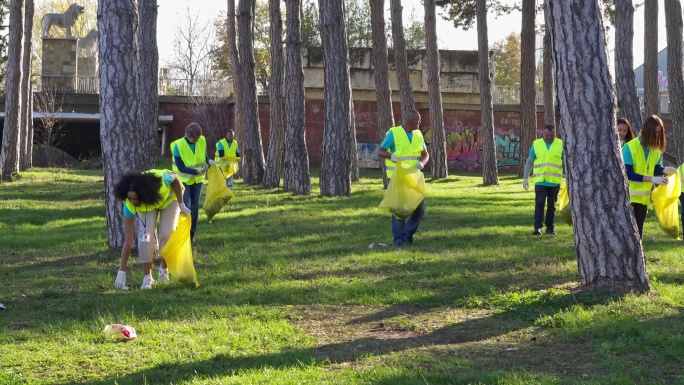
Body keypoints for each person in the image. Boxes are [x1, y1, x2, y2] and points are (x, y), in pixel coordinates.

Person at [113, 169, 191, 290]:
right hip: (147, 205)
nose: (133, 202)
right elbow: (128, 239)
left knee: (167, 234)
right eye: (130, 199)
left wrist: (181, 204)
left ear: (143, 194)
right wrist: (121, 272)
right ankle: (147, 277)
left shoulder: (163, 180)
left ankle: (164, 269)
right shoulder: (129, 205)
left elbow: (175, 178)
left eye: (135, 199)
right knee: (144, 237)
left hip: (169, 199)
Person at [377, 109, 430, 246]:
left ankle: (408, 233)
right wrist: (391, 156)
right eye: (418, 120)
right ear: (411, 121)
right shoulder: (394, 133)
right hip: (397, 177)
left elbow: (425, 154)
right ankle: (400, 241)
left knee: (420, 208)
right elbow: (380, 151)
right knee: (399, 210)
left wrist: (422, 163)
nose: (420, 122)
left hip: (414, 176)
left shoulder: (418, 134)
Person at [623, 115, 676, 239]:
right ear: (648, 131)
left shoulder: (655, 149)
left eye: (660, 133)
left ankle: (638, 257)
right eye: (656, 132)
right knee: (628, 232)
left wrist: (664, 170)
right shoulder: (630, 147)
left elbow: (655, 168)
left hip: (643, 198)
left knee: (639, 230)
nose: (658, 136)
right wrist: (652, 179)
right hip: (627, 197)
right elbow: (628, 173)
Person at [171, 122, 217, 243]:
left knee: (195, 207)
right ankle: (183, 232)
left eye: (197, 138)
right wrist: (196, 171)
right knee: (186, 205)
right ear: (187, 134)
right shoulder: (178, 145)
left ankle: (192, 233)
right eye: (194, 139)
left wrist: (210, 161)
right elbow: (180, 167)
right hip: (184, 180)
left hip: (198, 180)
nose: (196, 141)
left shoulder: (202, 140)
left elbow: (204, 155)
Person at [522, 124, 563, 236]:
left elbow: (567, 162)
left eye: (551, 135)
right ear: (543, 134)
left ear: (554, 134)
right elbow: (530, 161)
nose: (549, 138)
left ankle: (550, 228)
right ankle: (537, 228)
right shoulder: (537, 144)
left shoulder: (560, 144)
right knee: (539, 204)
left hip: (554, 181)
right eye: (547, 135)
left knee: (551, 206)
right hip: (540, 180)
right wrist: (525, 177)